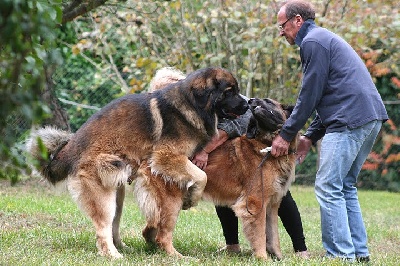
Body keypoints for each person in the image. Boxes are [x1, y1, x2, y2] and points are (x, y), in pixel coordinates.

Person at [271, 0, 388, 262]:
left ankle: (340, 255)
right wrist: (310, 136)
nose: (281, 31)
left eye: (283, 25)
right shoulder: (322, 39)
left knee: (327, 186)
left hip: (350, 120)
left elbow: (309, 95)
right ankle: (359, 254)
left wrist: (287, 134)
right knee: (344, 186)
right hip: (369, 117)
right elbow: (328, 94)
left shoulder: (312, 42)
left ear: (298, 20)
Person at [150, 67, 309, 258]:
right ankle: (234, 245)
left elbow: (233, 124)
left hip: (243, 137)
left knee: (279, 198)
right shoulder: (177, 108)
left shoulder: (219, 96)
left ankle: (299, 249)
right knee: (227, 194)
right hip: (220, 151)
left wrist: (205, 151)